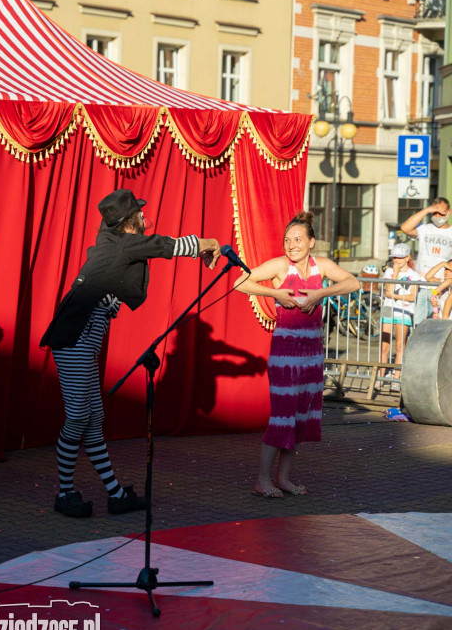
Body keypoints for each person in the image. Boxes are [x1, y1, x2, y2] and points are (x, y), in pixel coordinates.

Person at [41, 189, 221, 518]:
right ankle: (64, 493)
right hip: (72, 342)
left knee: (94, 420)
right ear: (128, 222)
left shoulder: (115, 245)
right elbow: (166, 245)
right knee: (80, 417)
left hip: (81, 345)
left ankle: (116, 494)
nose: (144, 217)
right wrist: (209, 243)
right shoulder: (123, 243)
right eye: (138, 213)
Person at [234, 211, 359, 498]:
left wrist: (319, 294)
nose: (292, 245)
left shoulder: (322, 266)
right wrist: (276, 294)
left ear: (311, 242)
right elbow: (239, 283)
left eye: (298, 239)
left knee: (300, 418)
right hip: (285, 356)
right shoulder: (280, 266)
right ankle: (262, 480)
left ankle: (284, 479)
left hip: (312, 356)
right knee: (281, 418)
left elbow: (353, 283)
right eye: (288, 240)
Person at [400, 197, 452, 325]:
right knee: (419, 325)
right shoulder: (424, 228)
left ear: (448, 212)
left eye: (441, 212)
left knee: (440, 326)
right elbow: (405, 228)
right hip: (422, 286)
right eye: (434, 212)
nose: (437, 215)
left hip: (443, 287)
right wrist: (427, 210)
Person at [376, 244, 420, 393]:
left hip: (404, 311)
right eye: (395, 257)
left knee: (400, 345)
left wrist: (394, 296)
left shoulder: (414, 275)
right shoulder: (389, 271)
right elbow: (388, 290)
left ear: (408, 258)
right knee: (384, 346)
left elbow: (412, 296)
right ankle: (381, 376)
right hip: (389, 309)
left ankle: (396, 377)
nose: (397, 260)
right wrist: (394, 273)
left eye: (400, 257)